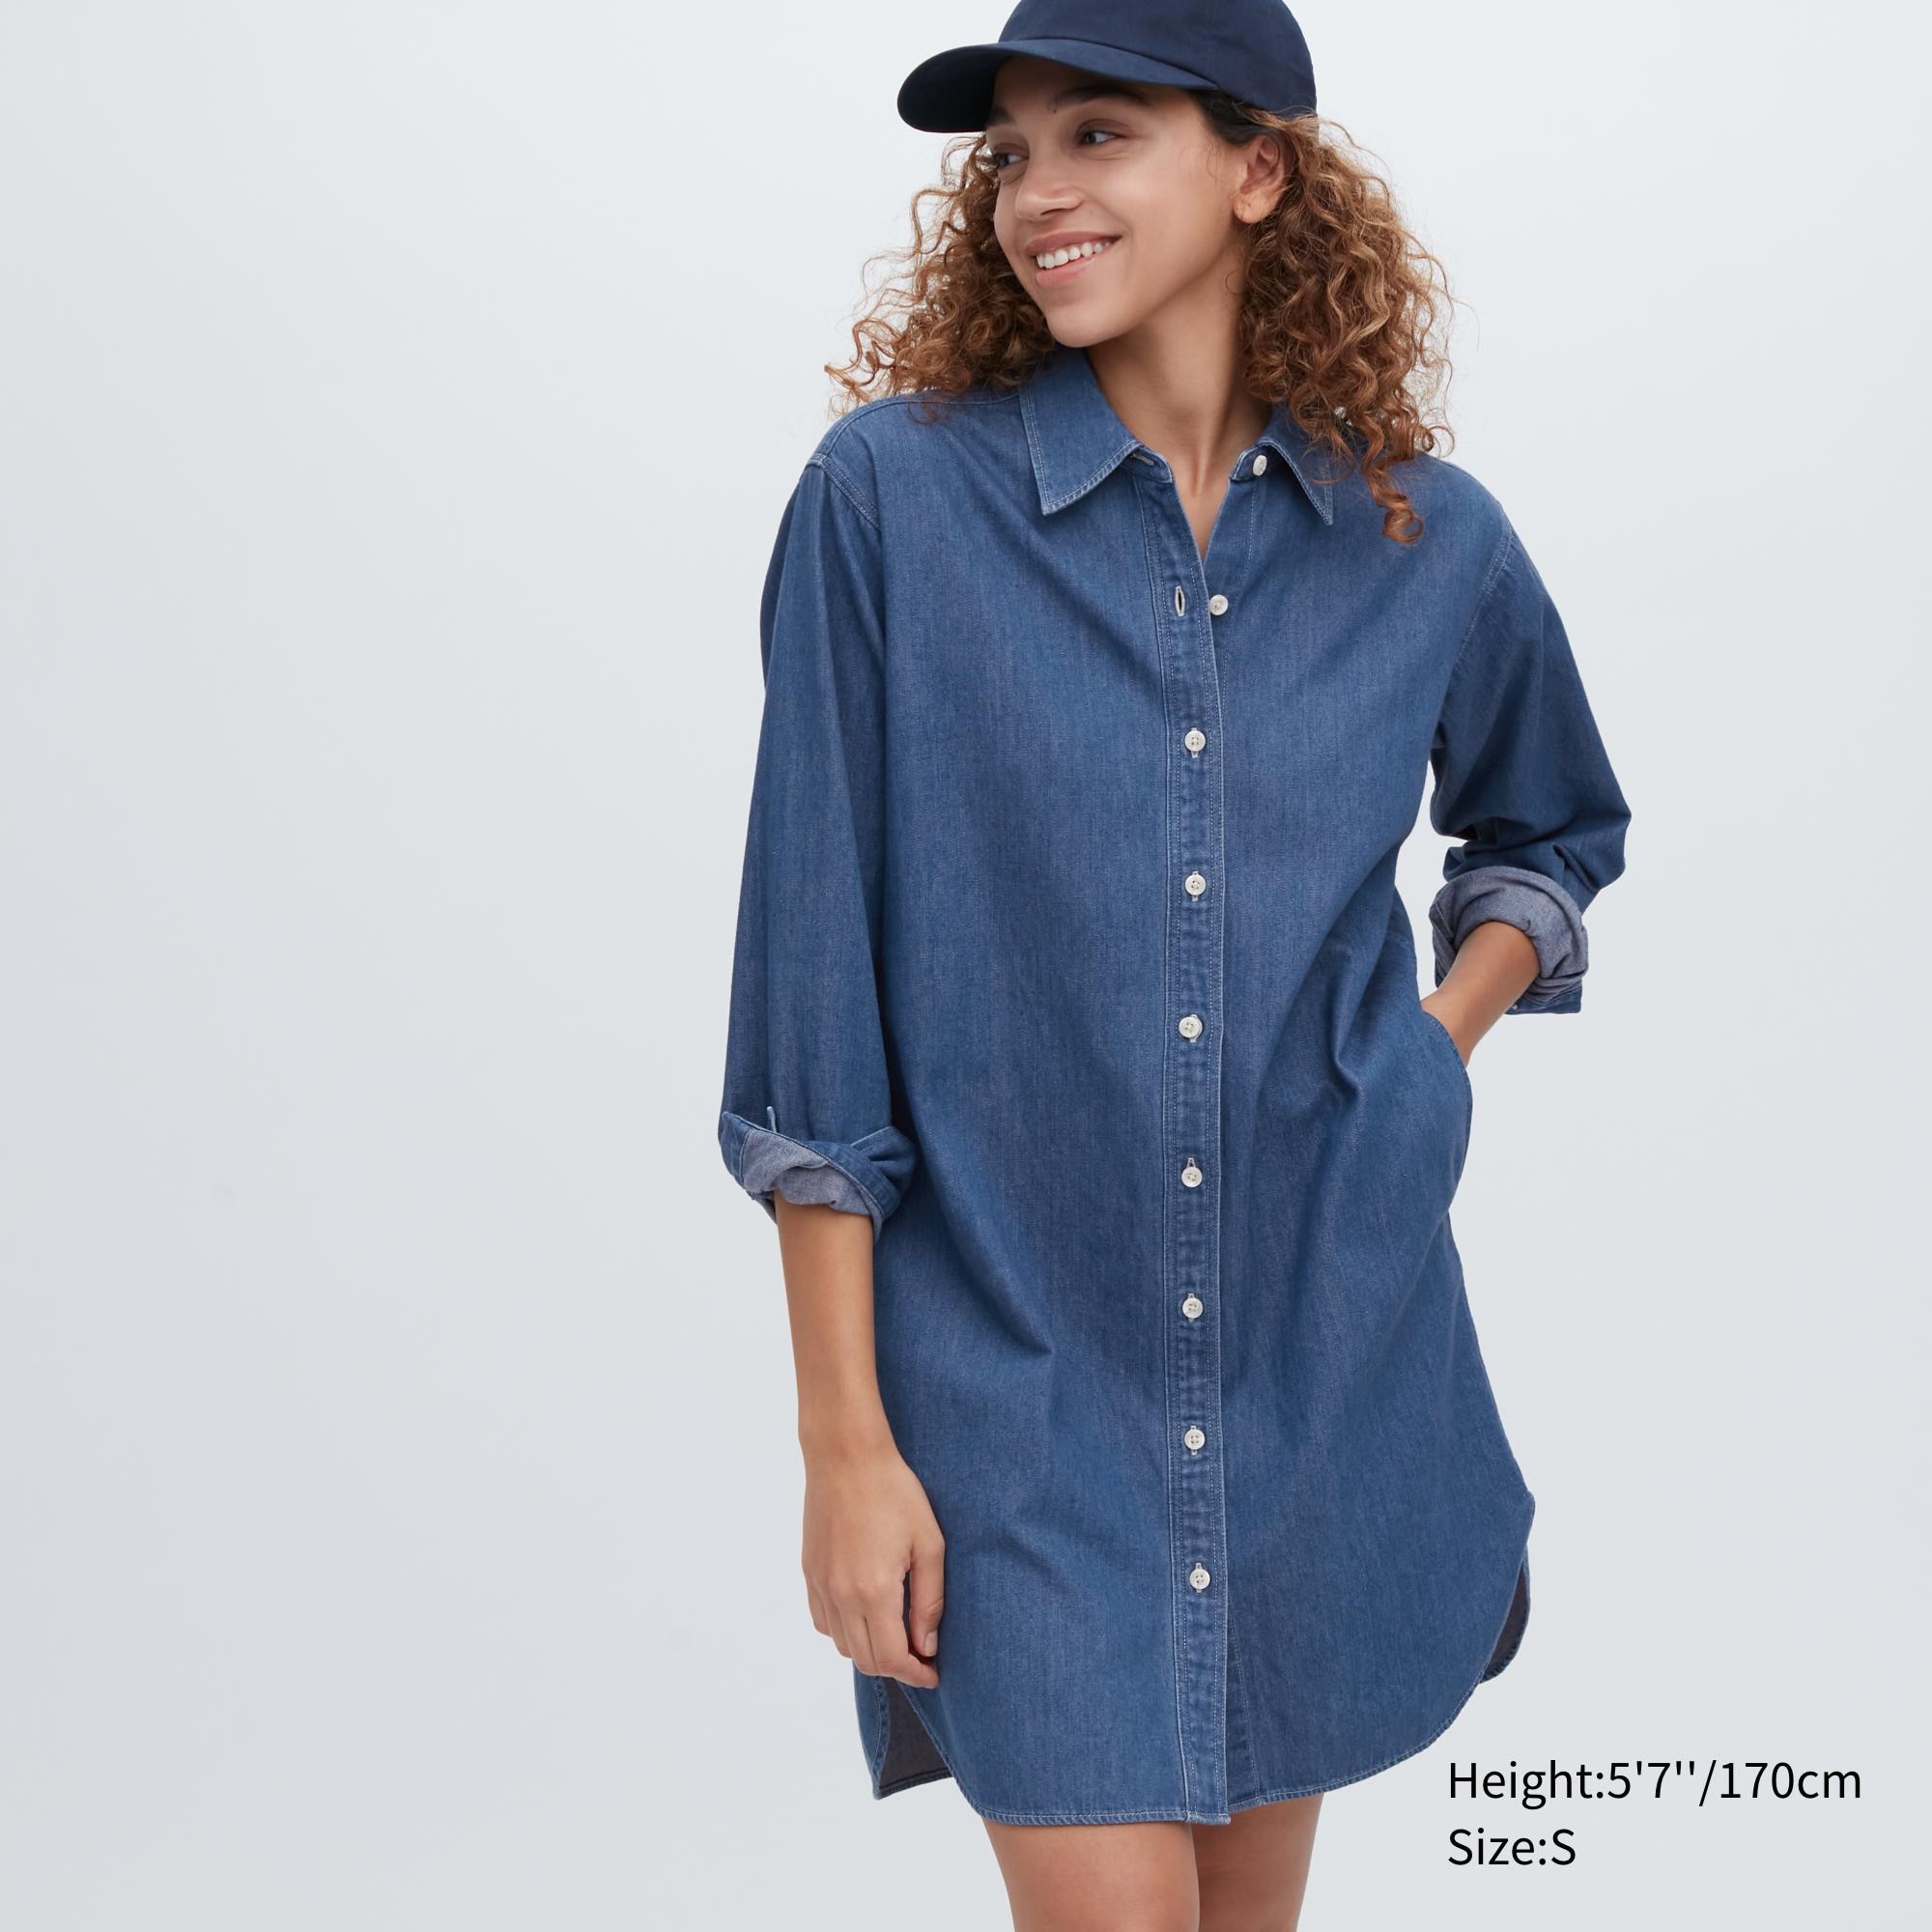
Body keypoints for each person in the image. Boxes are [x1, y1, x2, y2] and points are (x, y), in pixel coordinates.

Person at [715, 2, 1632, 1924]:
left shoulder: (1422, 537)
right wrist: (843, 1442)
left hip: (1330, 1369)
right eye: (1011, 153)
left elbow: (1549, 830)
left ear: (1259, 171)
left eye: (1099, 132)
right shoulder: (888, 506)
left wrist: (1434, 1041)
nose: (1034, 193)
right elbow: (810, 1013)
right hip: (1013, 1411)